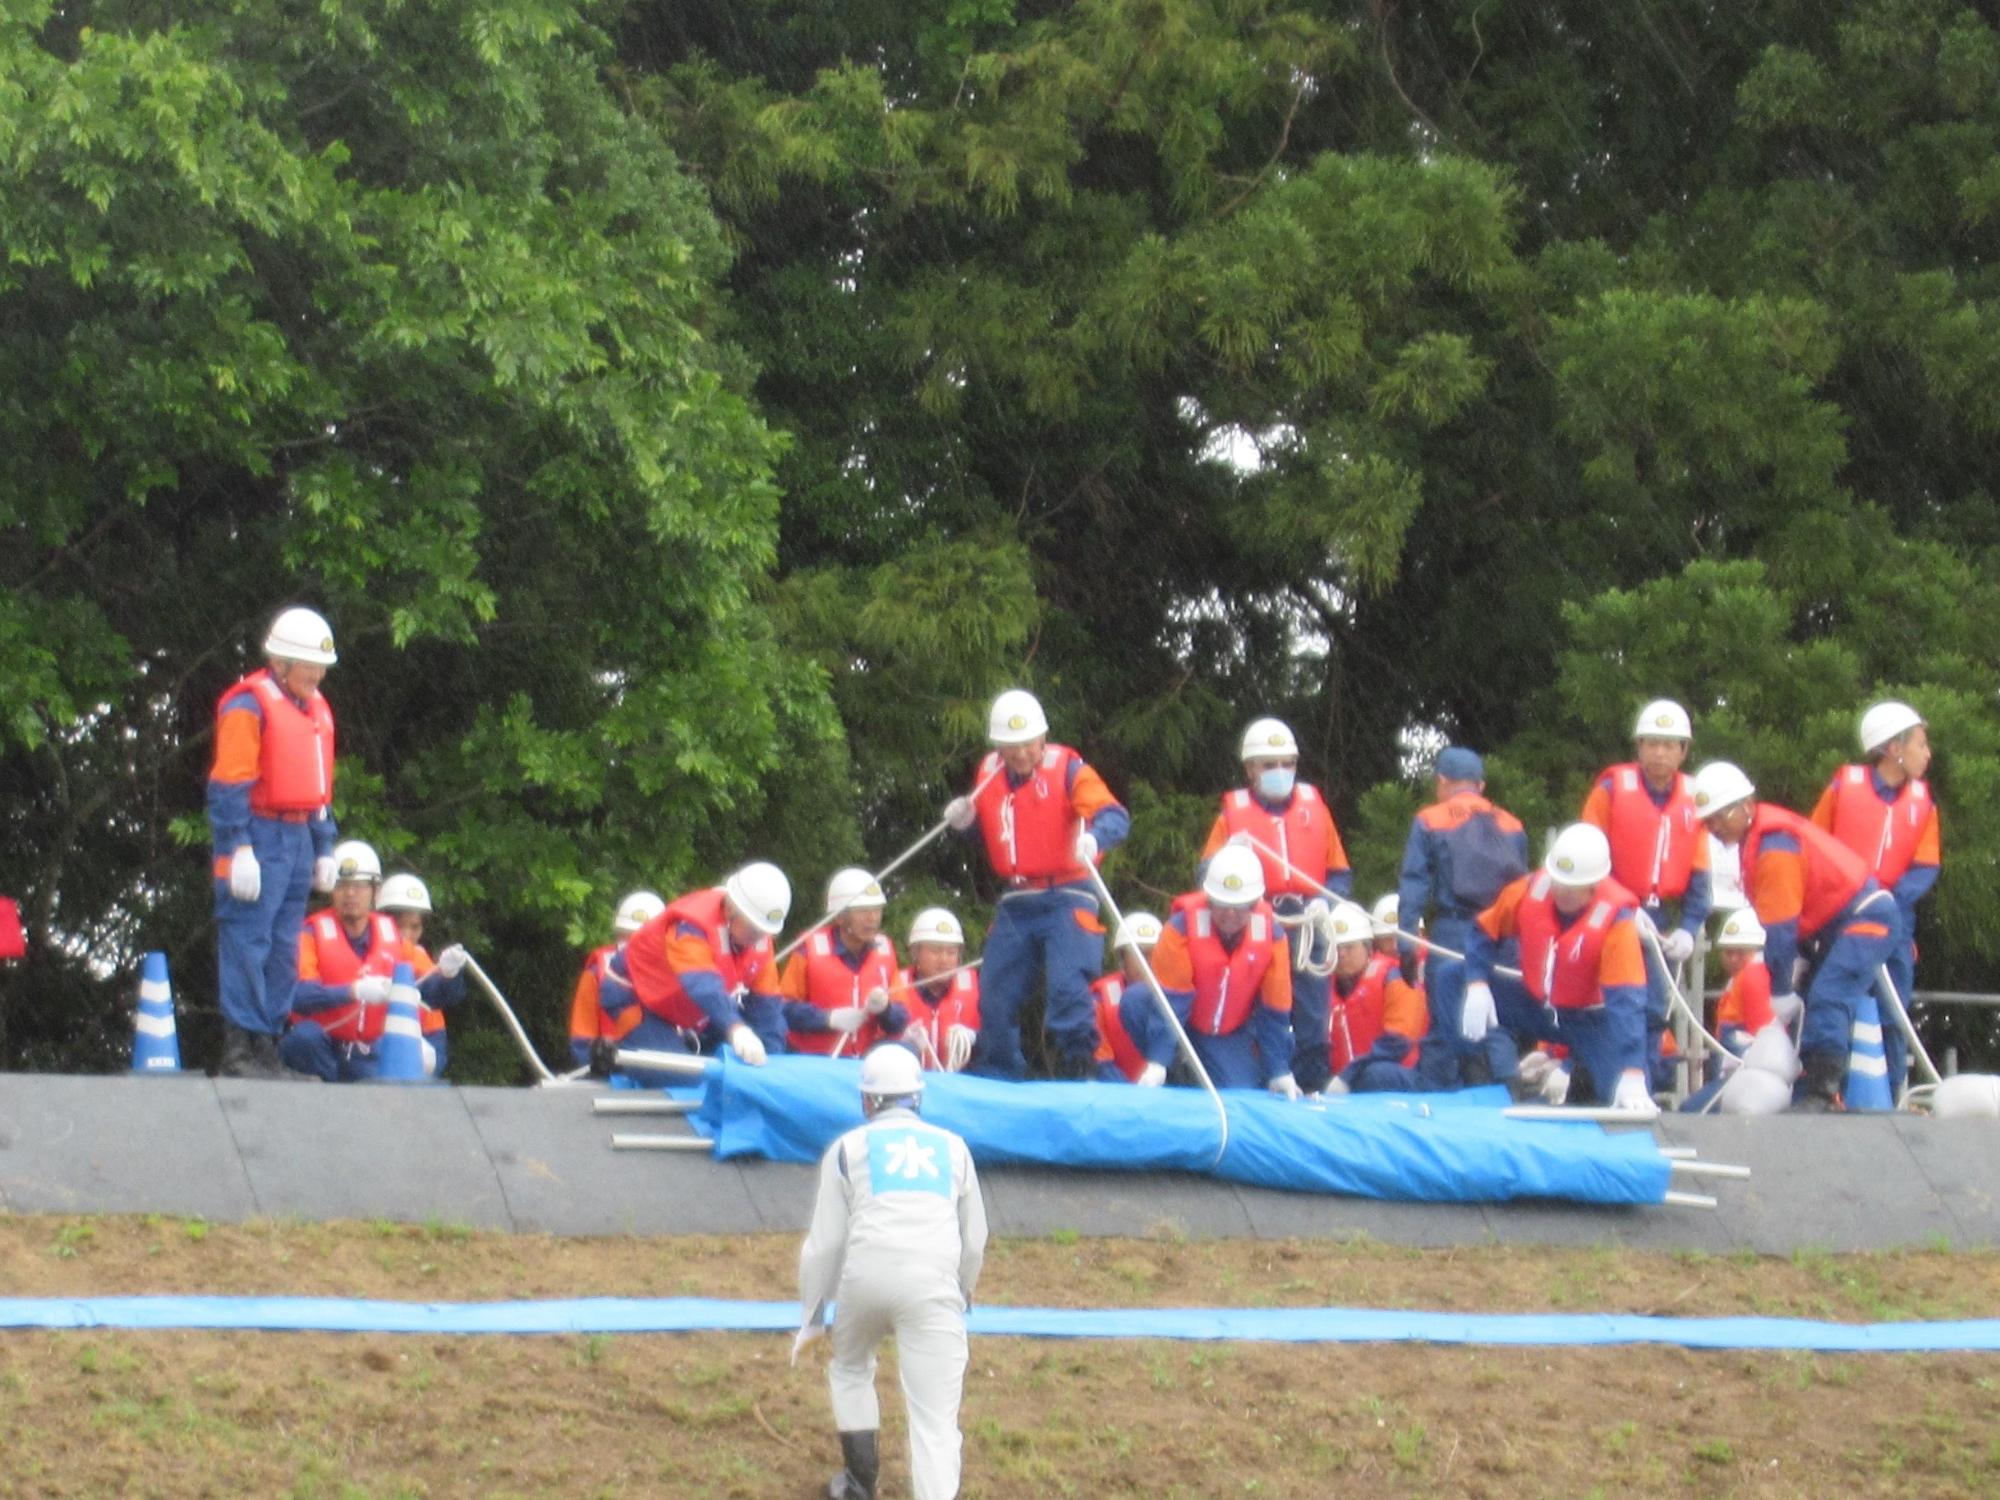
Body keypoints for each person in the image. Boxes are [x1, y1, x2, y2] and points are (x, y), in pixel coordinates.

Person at [797, 1044, 987, 1500]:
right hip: (933, 1284)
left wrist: (811, 1314)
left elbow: (824, 1244)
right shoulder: (955, 1149)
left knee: (850, 1367)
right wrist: (963, 1288)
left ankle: (859, 1483)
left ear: (867, 1101)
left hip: (865, 1278)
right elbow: (975, 1236)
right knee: (935, 1421)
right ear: (918, 1097)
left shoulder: (846, 1150)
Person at [942, 689, 1129, 1080]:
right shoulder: (988, 774)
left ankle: (1080, 1071)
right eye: (1011, 747)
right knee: (995, 991)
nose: (1021, 754)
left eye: (1028, 744)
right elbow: (995, 833)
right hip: (1018, 897)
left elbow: (1114, 815)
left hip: (1069, 893)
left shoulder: (1070, 770)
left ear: (1043, 739)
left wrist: (1095, 837)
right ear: (999, 746)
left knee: (1067, 988)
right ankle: (1000, 1071)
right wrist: (966, 823)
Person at [1692, 762, 1901, 1111]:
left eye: (1717, 817)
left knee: (1827, 995)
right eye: (1707, 821)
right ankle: (1812, 1084)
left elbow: (1780, 927)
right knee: (1812, 999)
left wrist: (1780, 990)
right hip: (1834, 923)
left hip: (1865, 917)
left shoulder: (1775, 847)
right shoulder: (1760, 839)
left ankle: (1822, 1090)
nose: (1713, 828)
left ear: (1744, 806)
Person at [207, 606, 341, 1079]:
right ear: (281, 662)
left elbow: (319, 786)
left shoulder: (315, 710)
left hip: (299, 833)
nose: (319, 674)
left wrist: (324, 844)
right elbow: (229, 783)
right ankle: (241, 1048)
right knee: (248, 937)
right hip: (257, 835)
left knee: (284, 945)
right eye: (311, 665)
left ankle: (269, 1045)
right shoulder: (249, 705)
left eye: (323, 666)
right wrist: (237, 845)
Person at [1198, 717, 1353, 1095]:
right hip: (1260, 926)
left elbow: (1340, 875)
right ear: (1251, 769)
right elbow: (1207, 874)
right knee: (1259, 1013)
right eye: (1269, 765)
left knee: (1313, 1020)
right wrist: (1234, 860)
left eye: (1287, 763)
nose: (1280, 772)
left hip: (1309, 926)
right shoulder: (1232, 818)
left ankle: (1311, 1088)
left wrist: (1322, 906)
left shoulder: (1315, 808)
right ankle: (1259, 1083)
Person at [1463, 824, 1654, 1111]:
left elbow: (1626, 1000)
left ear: (1594, 886)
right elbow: (1483, 930)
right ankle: (1493, 1084)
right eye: (1558, 882)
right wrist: (1476, 983)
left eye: (1571, 887)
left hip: (1590, 1021)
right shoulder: (1530, 891)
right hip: (1536, 1007)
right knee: (1452, 981)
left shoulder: (1616, 922)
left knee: (1623, 1096)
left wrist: (1632, 1070)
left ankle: (1584, 1078)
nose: (1561, 892)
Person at [1579, 700, 1712, 1085]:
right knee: (1614, 1003)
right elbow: (1587, 852)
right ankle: (1606, 1083)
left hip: (1662, 919)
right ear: (1638, 746)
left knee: (1656, 1008)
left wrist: (1689, 926)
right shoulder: (1611, 788)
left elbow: (1700, 870)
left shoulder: (1695, 798)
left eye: (1669, 744)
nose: (1659, 752)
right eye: (1652, 742)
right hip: (1613, 912)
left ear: (1683, 751)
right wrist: (1620, 905)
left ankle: (1646, 1086)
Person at [1395, 746, 1529, 1088]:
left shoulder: (1429, 820)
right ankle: (1505, 1090)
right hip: (1502, 934)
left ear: (1442, 781)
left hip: (1454, 931)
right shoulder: (1512, 824)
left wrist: (1406, 942)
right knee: (1497, 1019)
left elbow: (1414, 883)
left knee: (1444, 1019)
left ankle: (1439, 1102)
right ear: (1480, 785)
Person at [283, 842, 467, 1082]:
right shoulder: (310, 933)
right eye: (342, 886)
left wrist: (450, 975)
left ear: (375, 891)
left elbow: (433, 995)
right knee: (303, 1039)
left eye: (359, 886)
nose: (350, 894)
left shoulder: (392, 937)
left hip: (367, 1052)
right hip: (324, 1048)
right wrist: (354, 991)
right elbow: (298, 995)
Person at [1124, 847, 1299, 1095]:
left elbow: (1275, 1010)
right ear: (1208, 899)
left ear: (1253, 905)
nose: (1230, 914)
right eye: (1222, 904)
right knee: (1135, 1001)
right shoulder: (1180, 928)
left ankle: (1202, 1074)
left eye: (1239, 907)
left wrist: (1279, 1069)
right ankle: (1174, 1071)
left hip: (1229, 1033)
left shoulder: (1273, 938)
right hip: (1185, 1022)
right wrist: (1158, 1060)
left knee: (1239, 1094)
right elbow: (1171, 1001)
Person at [600, 861, 791, 1085]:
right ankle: (627, 1057)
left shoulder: (757, 939)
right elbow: (702, 984)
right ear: (730, 911)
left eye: (766, 933)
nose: (759, 938)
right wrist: (736, 1028)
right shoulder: (691, 926)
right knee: (684, 1078)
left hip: (685, 1009)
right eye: (754, 930)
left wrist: (771, 1059)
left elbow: (767, 1003)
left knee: (737, 1069)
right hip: (633, 998)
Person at [1810, 701, 1940, 1017]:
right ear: (1895, 747)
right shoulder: (1843, 788)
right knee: (1836, 1007)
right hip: (1841, 914)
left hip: (1895, 919)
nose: (1928, 754)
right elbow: (1814, 847)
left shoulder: (1924, 804)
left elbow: (1926, 867)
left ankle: (1893, 1070)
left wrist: (1883, 902)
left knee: (1893, 1017)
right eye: (1920, 744)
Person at [781, 870, 909, 1058]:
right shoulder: (808, 949)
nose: (872, 918)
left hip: (864, 1063)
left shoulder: (885, 952)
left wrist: (885, 1009)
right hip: (813, 1062)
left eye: (877, 910)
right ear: (840, 917)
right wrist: (828, 1019)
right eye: (863, 911)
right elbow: (783, 1008)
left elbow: (901, 1018)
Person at [1324, 901, 1426, 1085]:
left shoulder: (1397, 977)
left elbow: (1399, 1042)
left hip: (1399, 1076)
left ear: (1368, 947)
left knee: (1375, 1074)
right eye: (1336, 948)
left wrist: (1348, 1076)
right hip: (1345, 1079)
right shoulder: (1321, 986)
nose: (1342, 954)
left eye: (1349, 946)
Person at [376, 872, 467, 1076]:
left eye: (415, 927)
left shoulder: (417, 956)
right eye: (400, 926)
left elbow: (440, 992)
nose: (407, 934)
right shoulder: (371, 950)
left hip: (429, 1037)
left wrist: (450, 975)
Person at [568, 891, 666, 1071]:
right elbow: (581, 1044)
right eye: (626, 936)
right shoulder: (596, 975)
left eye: (642, 938)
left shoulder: (677, 977)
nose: (633, 944)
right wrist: (600, 1056)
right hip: (609, 1080)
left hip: (664, 1074)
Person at [894, 908, 981, 1072]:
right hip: (907, 1082)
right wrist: (900, 1041)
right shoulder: (897, 986)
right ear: (915, 953)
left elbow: (996, 1040)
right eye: (935, 951)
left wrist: (975, 1038)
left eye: (951, 952)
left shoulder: (976, 987)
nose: (944, 960)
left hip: (957, 1084)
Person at [1090, 911, 1161, 1084]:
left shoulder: (1181, 997)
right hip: (1119, 1095)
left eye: (1155, 953)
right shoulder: (1100, 1000)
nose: (1149, 962)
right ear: (1122, 958)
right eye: (1141, 954)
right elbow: (1101, 1062)